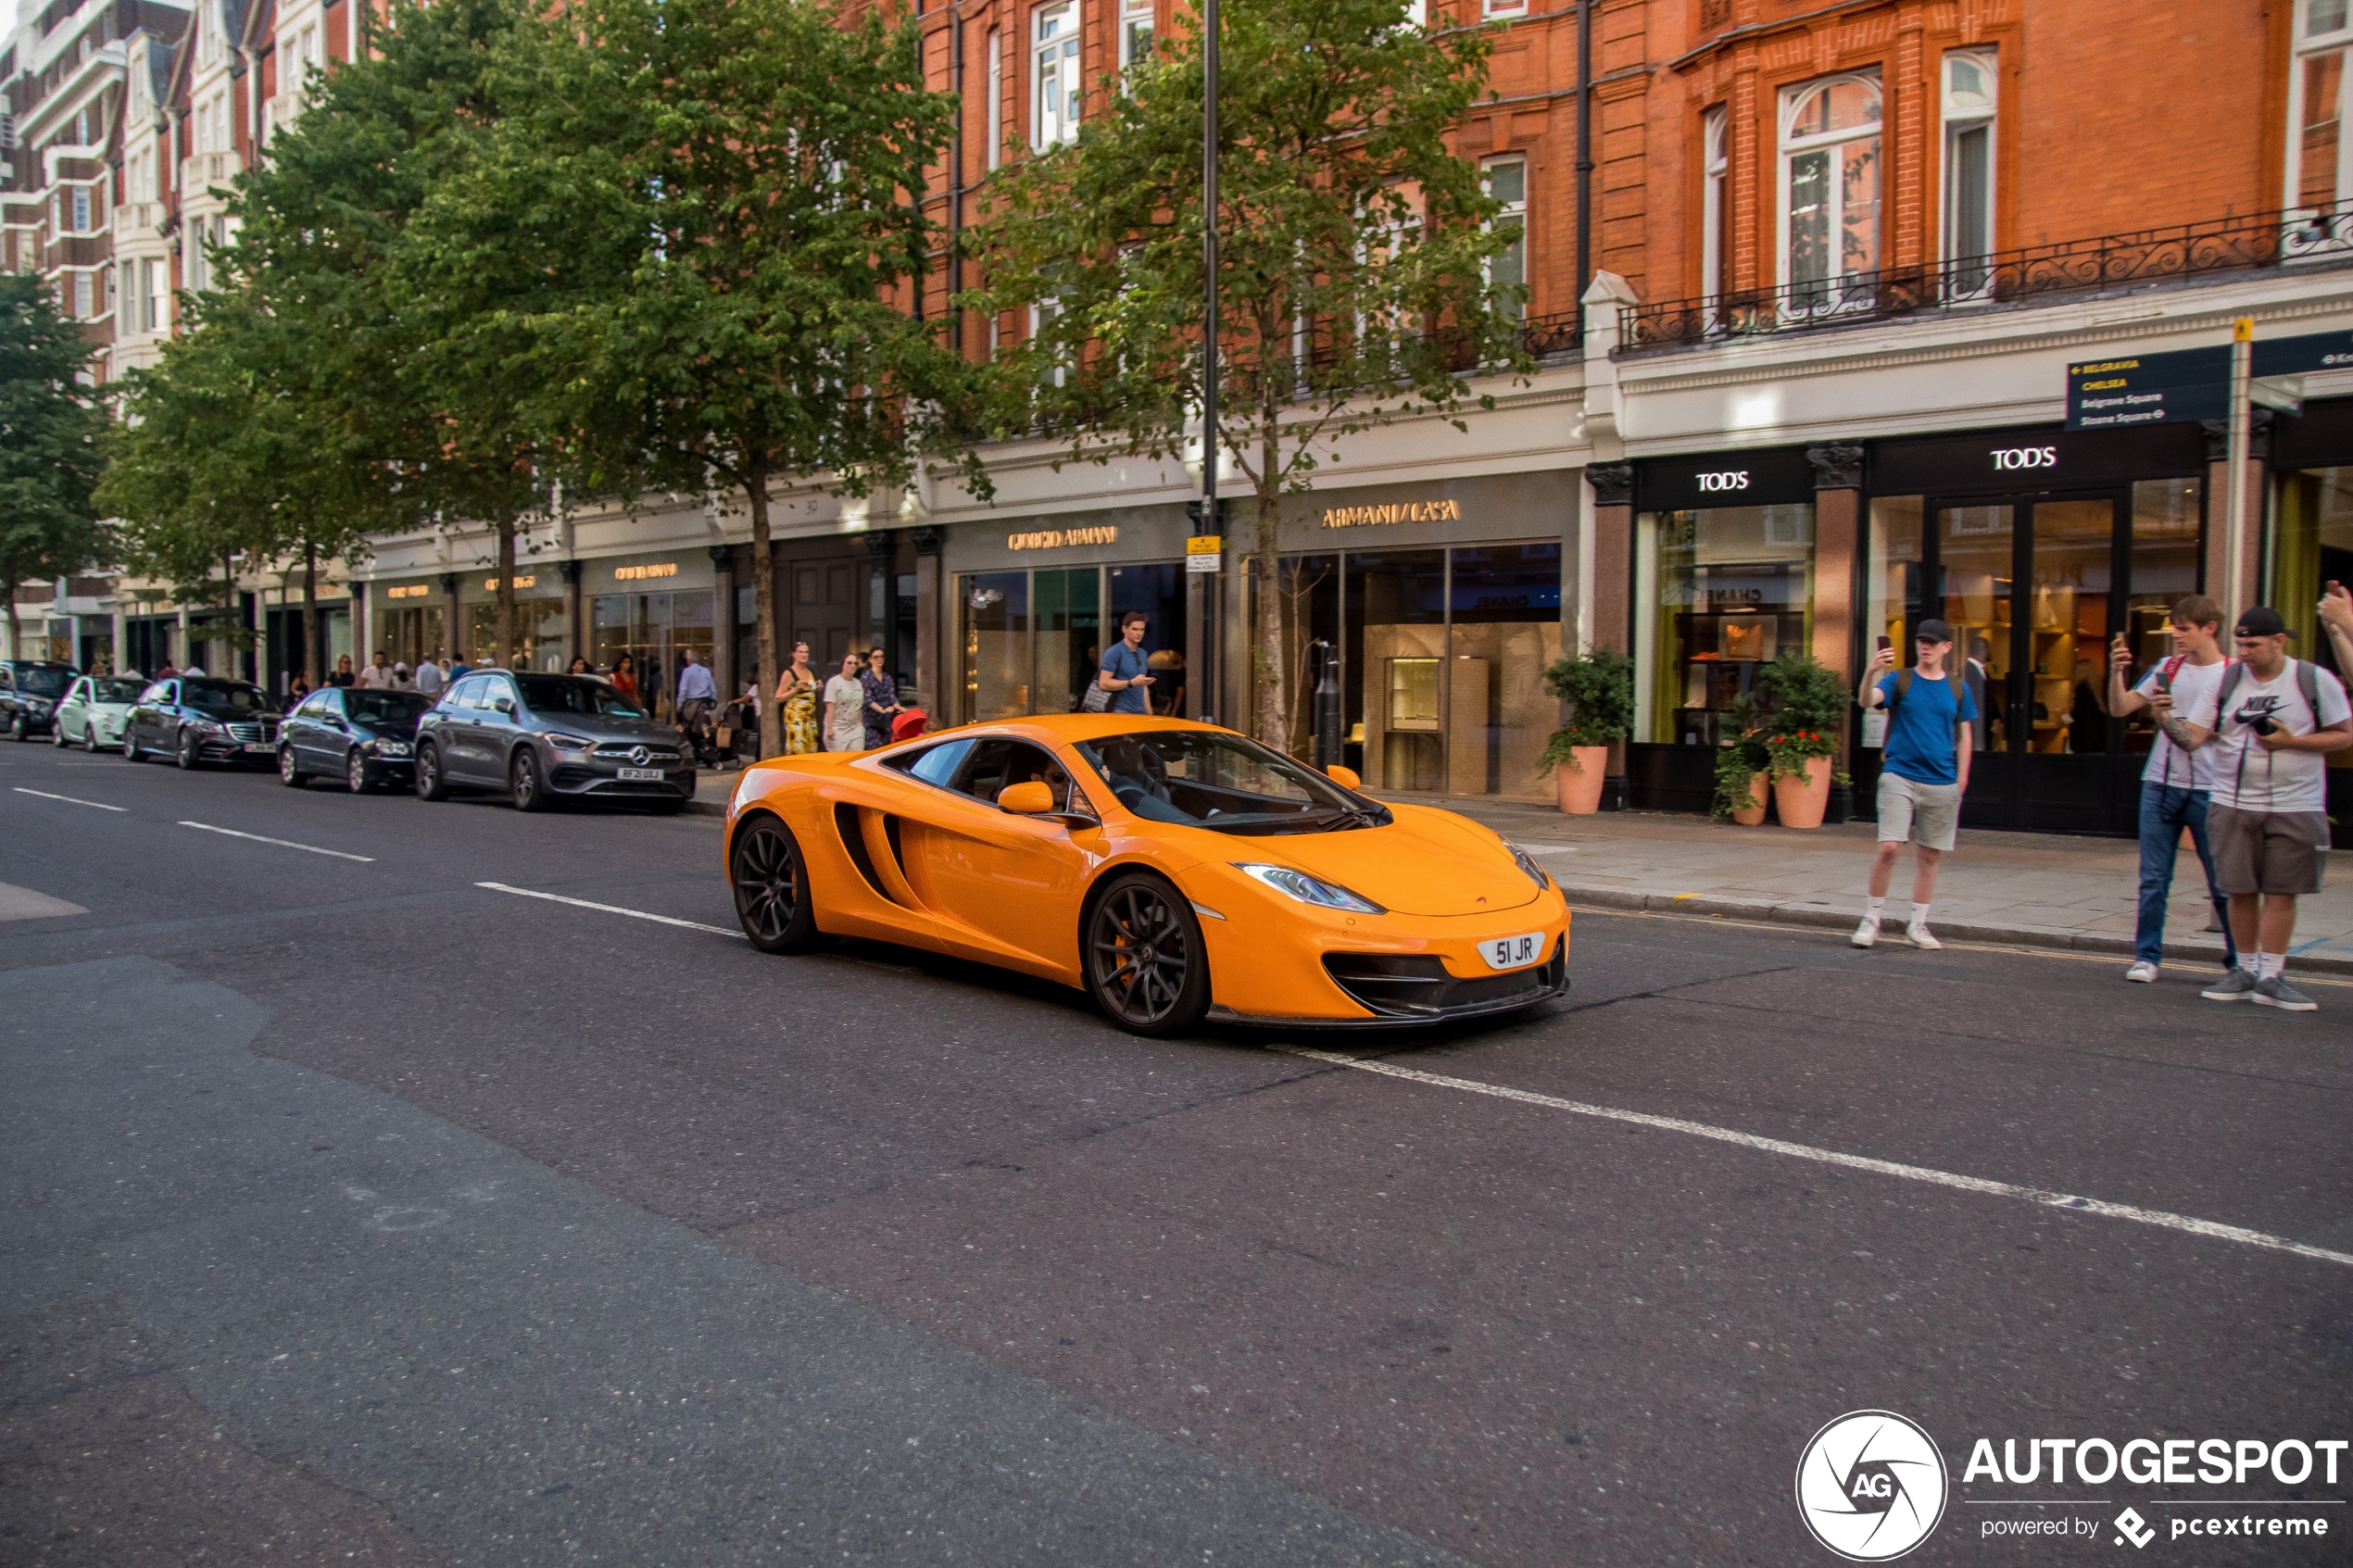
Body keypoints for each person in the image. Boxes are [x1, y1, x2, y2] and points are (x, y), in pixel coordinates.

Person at [2169, 607, 2353, 1011]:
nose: (2245, 652)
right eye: (2241, 644)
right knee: (2239, 889)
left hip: (2296, 803)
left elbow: (2344, 736)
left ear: (2279, 641)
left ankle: (2271, 976)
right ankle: (2246, 970)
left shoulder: (2313, 680)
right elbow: (2194, 736)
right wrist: (2165, 717)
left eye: (2253, 644)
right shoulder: (2225, 680)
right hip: (2232, 802)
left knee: (2282, 891)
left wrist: (2290, 743)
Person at [2108, 595, 2234, 985]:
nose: (2175, 635)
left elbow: (2200, 737)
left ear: (2209, 628)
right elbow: (2121, 707)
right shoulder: (2169, 666)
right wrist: (2116, 673)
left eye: (2183, 629)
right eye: (2174, 628)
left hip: (2209, 789)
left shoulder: (2232, 676)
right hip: (2160, 784)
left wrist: (2164, 716)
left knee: (2222, 880)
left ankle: (2239, 960)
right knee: (2153, 878)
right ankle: (2147, 956)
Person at [1853, 617, 1977, 950]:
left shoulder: (1957, 687)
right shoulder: (1899, 680)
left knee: (1929, 856)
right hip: (1900, 774)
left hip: (1941, 780)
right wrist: (1870, 672)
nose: (1926, 646)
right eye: (1922, 640)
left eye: (1933, 642)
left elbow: (1965, 735)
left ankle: (1918, 924)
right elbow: (1867, 701)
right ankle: (1871, 918)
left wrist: (1962, 778)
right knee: (1890, 847)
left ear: (1946, 648)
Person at [1099, 610, 1155, 714]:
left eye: (1142, 630)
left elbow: (1143, 686)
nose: (1139, 633)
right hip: (1120, 711)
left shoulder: (1143, 654)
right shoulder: (1115, 651)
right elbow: (1103, 683)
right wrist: (1131, 683)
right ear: (1124, 629)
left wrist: (1150, 713)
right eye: (1135, 629)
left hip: (1140, 713)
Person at [776, 641, 820, 754]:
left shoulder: (810, 671)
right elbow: (778, 698)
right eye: (800, 652)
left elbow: (811, 692)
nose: (804, 655)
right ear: (794, 654)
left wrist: (818, 687)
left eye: (806, 652)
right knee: (798, 749)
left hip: (810, 718)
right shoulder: (789, 673)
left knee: (812, 749)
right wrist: (794, 690)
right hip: (795, 718)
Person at [675, 647, 718, 752]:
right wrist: (713, 702)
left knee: (687, 724)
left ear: (688, 661)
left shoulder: (687, 671)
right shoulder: (706, 671)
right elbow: (713, 689)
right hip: (705, 703)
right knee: (704, 725)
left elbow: (683, 689)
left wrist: (679, 704)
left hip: (692, 703)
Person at [860, 646, 902, 749]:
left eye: (881, 656)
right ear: (870, 660)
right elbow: (868, 699)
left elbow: (892, 696)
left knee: (886, 748)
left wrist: (899, 707)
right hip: (871, 721)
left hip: (886, 721)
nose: (879, 659)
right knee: (875, 748)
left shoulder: (887, 677)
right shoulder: (866, 676)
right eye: (876, 657)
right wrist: (882, 710)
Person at [824, 652, 866, 752]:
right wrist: (829, 728)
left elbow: (858, 707)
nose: (852, 666)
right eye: (849, 663)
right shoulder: (833, 682)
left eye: (855, 663)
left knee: (856, 757)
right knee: (839, 759)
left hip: (855, 726)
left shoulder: (858, 683)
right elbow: (830, 707)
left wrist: (861, 726)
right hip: (838, 727)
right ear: (843, 665)